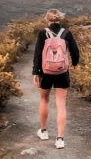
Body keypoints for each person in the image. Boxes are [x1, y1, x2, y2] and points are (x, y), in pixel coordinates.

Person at [32, 9, 80, 149]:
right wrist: (74, 64)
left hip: (45, 72)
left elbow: (38, 54)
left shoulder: (43, 33)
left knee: (44, 100)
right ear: (60, 19)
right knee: (61, 104)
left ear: (47, 19)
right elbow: (75, 52)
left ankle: (44, 131)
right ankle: (60, 139)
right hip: (62, 72)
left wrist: (36, 72)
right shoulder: (66, 33)